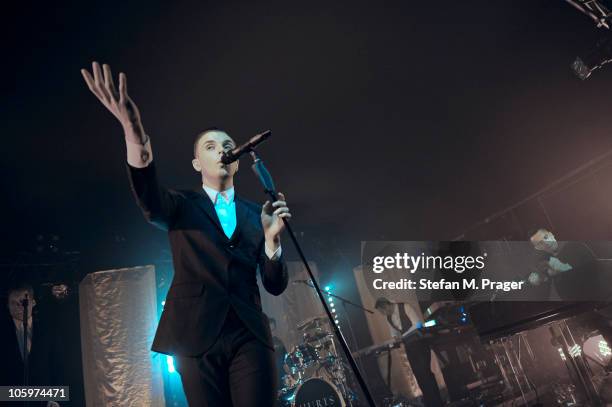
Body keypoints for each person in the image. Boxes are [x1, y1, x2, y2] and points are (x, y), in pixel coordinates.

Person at [81, 62, 291, 407]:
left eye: (227, 144)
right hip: (195, 336)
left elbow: (274, 284)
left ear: (237, 160)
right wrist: (133, 131)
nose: (222, 149)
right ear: (196, 164)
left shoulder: (258, 213)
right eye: (210, 146)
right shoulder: (182, 204)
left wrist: (272, 241)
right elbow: (149, 200)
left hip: (249, 333)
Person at [374, 297, 444, 407]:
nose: (383, 314)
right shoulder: (389, 318)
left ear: (386, 306)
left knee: (425, 373)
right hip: (409, 347)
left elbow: (418, 324)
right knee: (419, 376)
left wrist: (403, 336)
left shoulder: (405, 307)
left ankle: (437, 403)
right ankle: (430, 403)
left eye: (382, 311)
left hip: (420, 343)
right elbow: (394, 334)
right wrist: (396, 338)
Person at [0, 281, 59, 407]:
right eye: (13, 303)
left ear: (33, 302)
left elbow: (56, 364)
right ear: (7, 305)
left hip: (43, 401)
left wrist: (54, 399)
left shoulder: (48, 330)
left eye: (23, 302)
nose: (19, 307)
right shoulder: (2, 333)